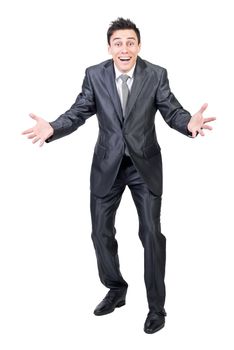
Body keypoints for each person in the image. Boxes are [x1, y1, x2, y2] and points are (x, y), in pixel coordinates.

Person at [22, 17, 215, 334]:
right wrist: (54, 127)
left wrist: (188, 125)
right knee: (100, 233)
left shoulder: (156, 75)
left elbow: (172, 110)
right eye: (118, 43)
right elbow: (79, 110)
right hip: (107, 165)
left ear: (139, 45)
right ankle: (116, 288)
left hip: (144, 166)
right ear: (109, 47)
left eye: (130, 42)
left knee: (151, 235)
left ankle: (156, 308)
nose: (124, 49)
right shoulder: (94, 75)